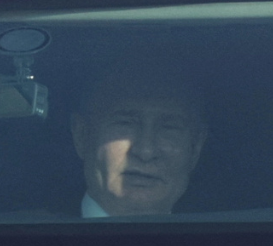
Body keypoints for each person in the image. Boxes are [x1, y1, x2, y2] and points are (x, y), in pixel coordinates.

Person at [70, 63, 208, 217]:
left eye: (169, 127)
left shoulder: (226, 238)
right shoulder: (40, 231)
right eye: (125, 123)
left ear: (195, 148)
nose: (145, 152)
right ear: (82, 136)